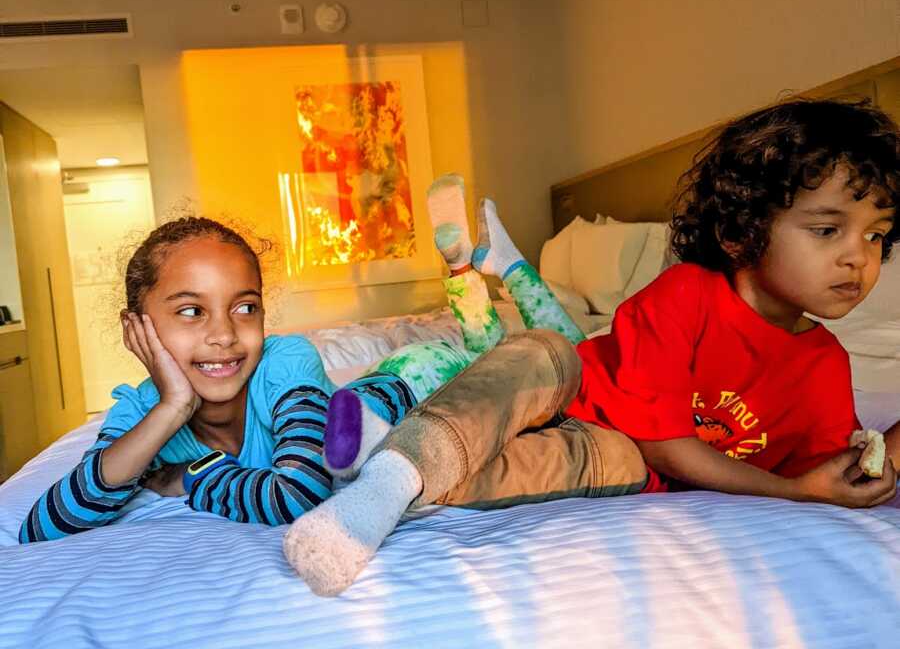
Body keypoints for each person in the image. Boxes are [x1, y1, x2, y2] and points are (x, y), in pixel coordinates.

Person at [284, 98, 900, 596]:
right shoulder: (689, 293)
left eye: (878, 236)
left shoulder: (824, 363)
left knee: (546, 469)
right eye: (827, 230)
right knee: (541, 349)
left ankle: (391, 464)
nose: (859, 256)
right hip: (575, 391)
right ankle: (385, 481)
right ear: (741, 232)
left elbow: (831, 477)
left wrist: (846, 476)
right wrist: (794, 493)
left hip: (626, 458)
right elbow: (671, 444)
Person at [20, 202, 576, 543]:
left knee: (563, 360)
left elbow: (301, 493)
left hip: (415, 381)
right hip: (375, 401)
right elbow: (44, 525)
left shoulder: (286, 361)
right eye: (191, 311)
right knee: (504, 350)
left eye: (245, 307)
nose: (224, 334)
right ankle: (468, 275)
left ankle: (505, 268)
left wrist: (193, 476)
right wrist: (171, 410)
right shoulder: (141, 410)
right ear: (137, 327)